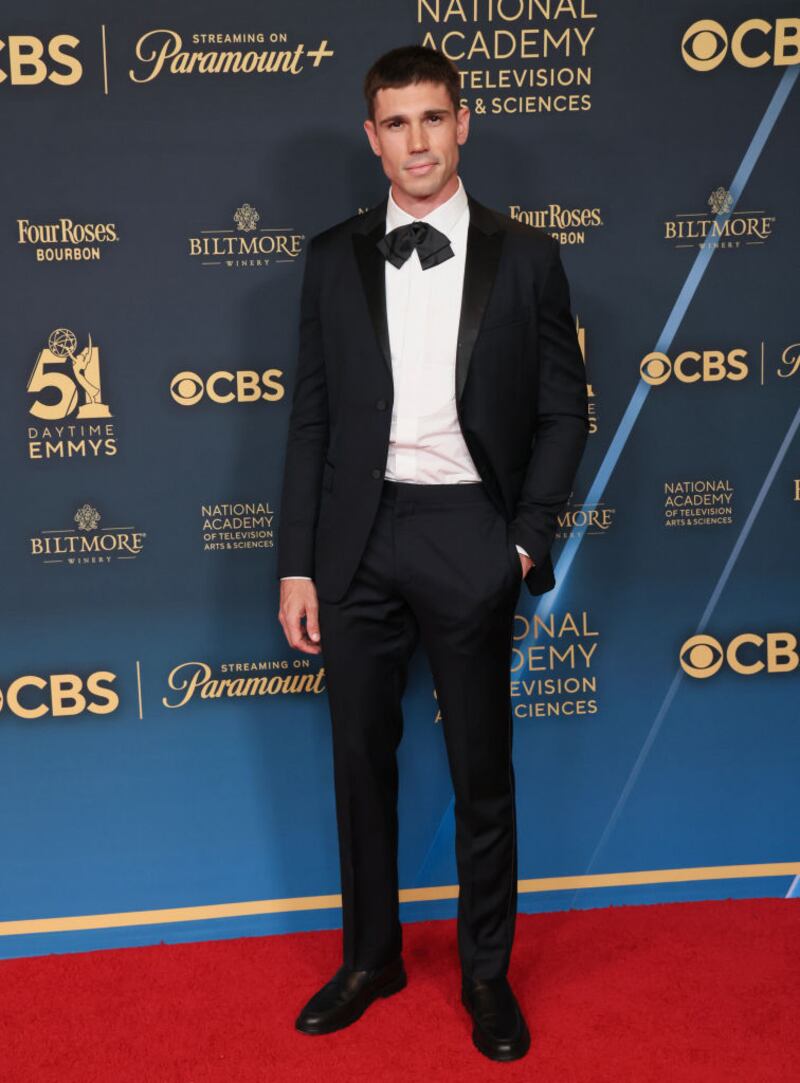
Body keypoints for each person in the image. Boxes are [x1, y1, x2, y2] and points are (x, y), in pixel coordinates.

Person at [276, 44, 588, 1062]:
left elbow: (563, 411)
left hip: (469, 532)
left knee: (479, 768)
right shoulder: (331, 257)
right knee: (358, 762)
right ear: (372, 138)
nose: (417, 141)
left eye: (433, 118)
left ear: (463, 124)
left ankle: (487, 975)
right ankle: (370, 958)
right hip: (355, 540)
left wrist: (523, 542)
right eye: (396, 123)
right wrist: (296, 563)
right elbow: (311, 421)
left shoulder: (526, 255)